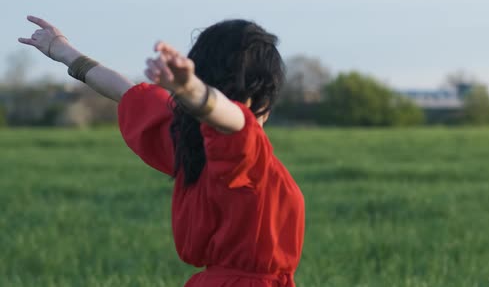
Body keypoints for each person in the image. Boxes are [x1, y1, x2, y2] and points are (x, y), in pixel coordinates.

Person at [18, 15, 305, 287]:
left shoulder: (186, 140)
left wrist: (63, 50)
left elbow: (124, 90)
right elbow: (235, 120)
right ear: (261, 93)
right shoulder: (245, 152)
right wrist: (194, 92)